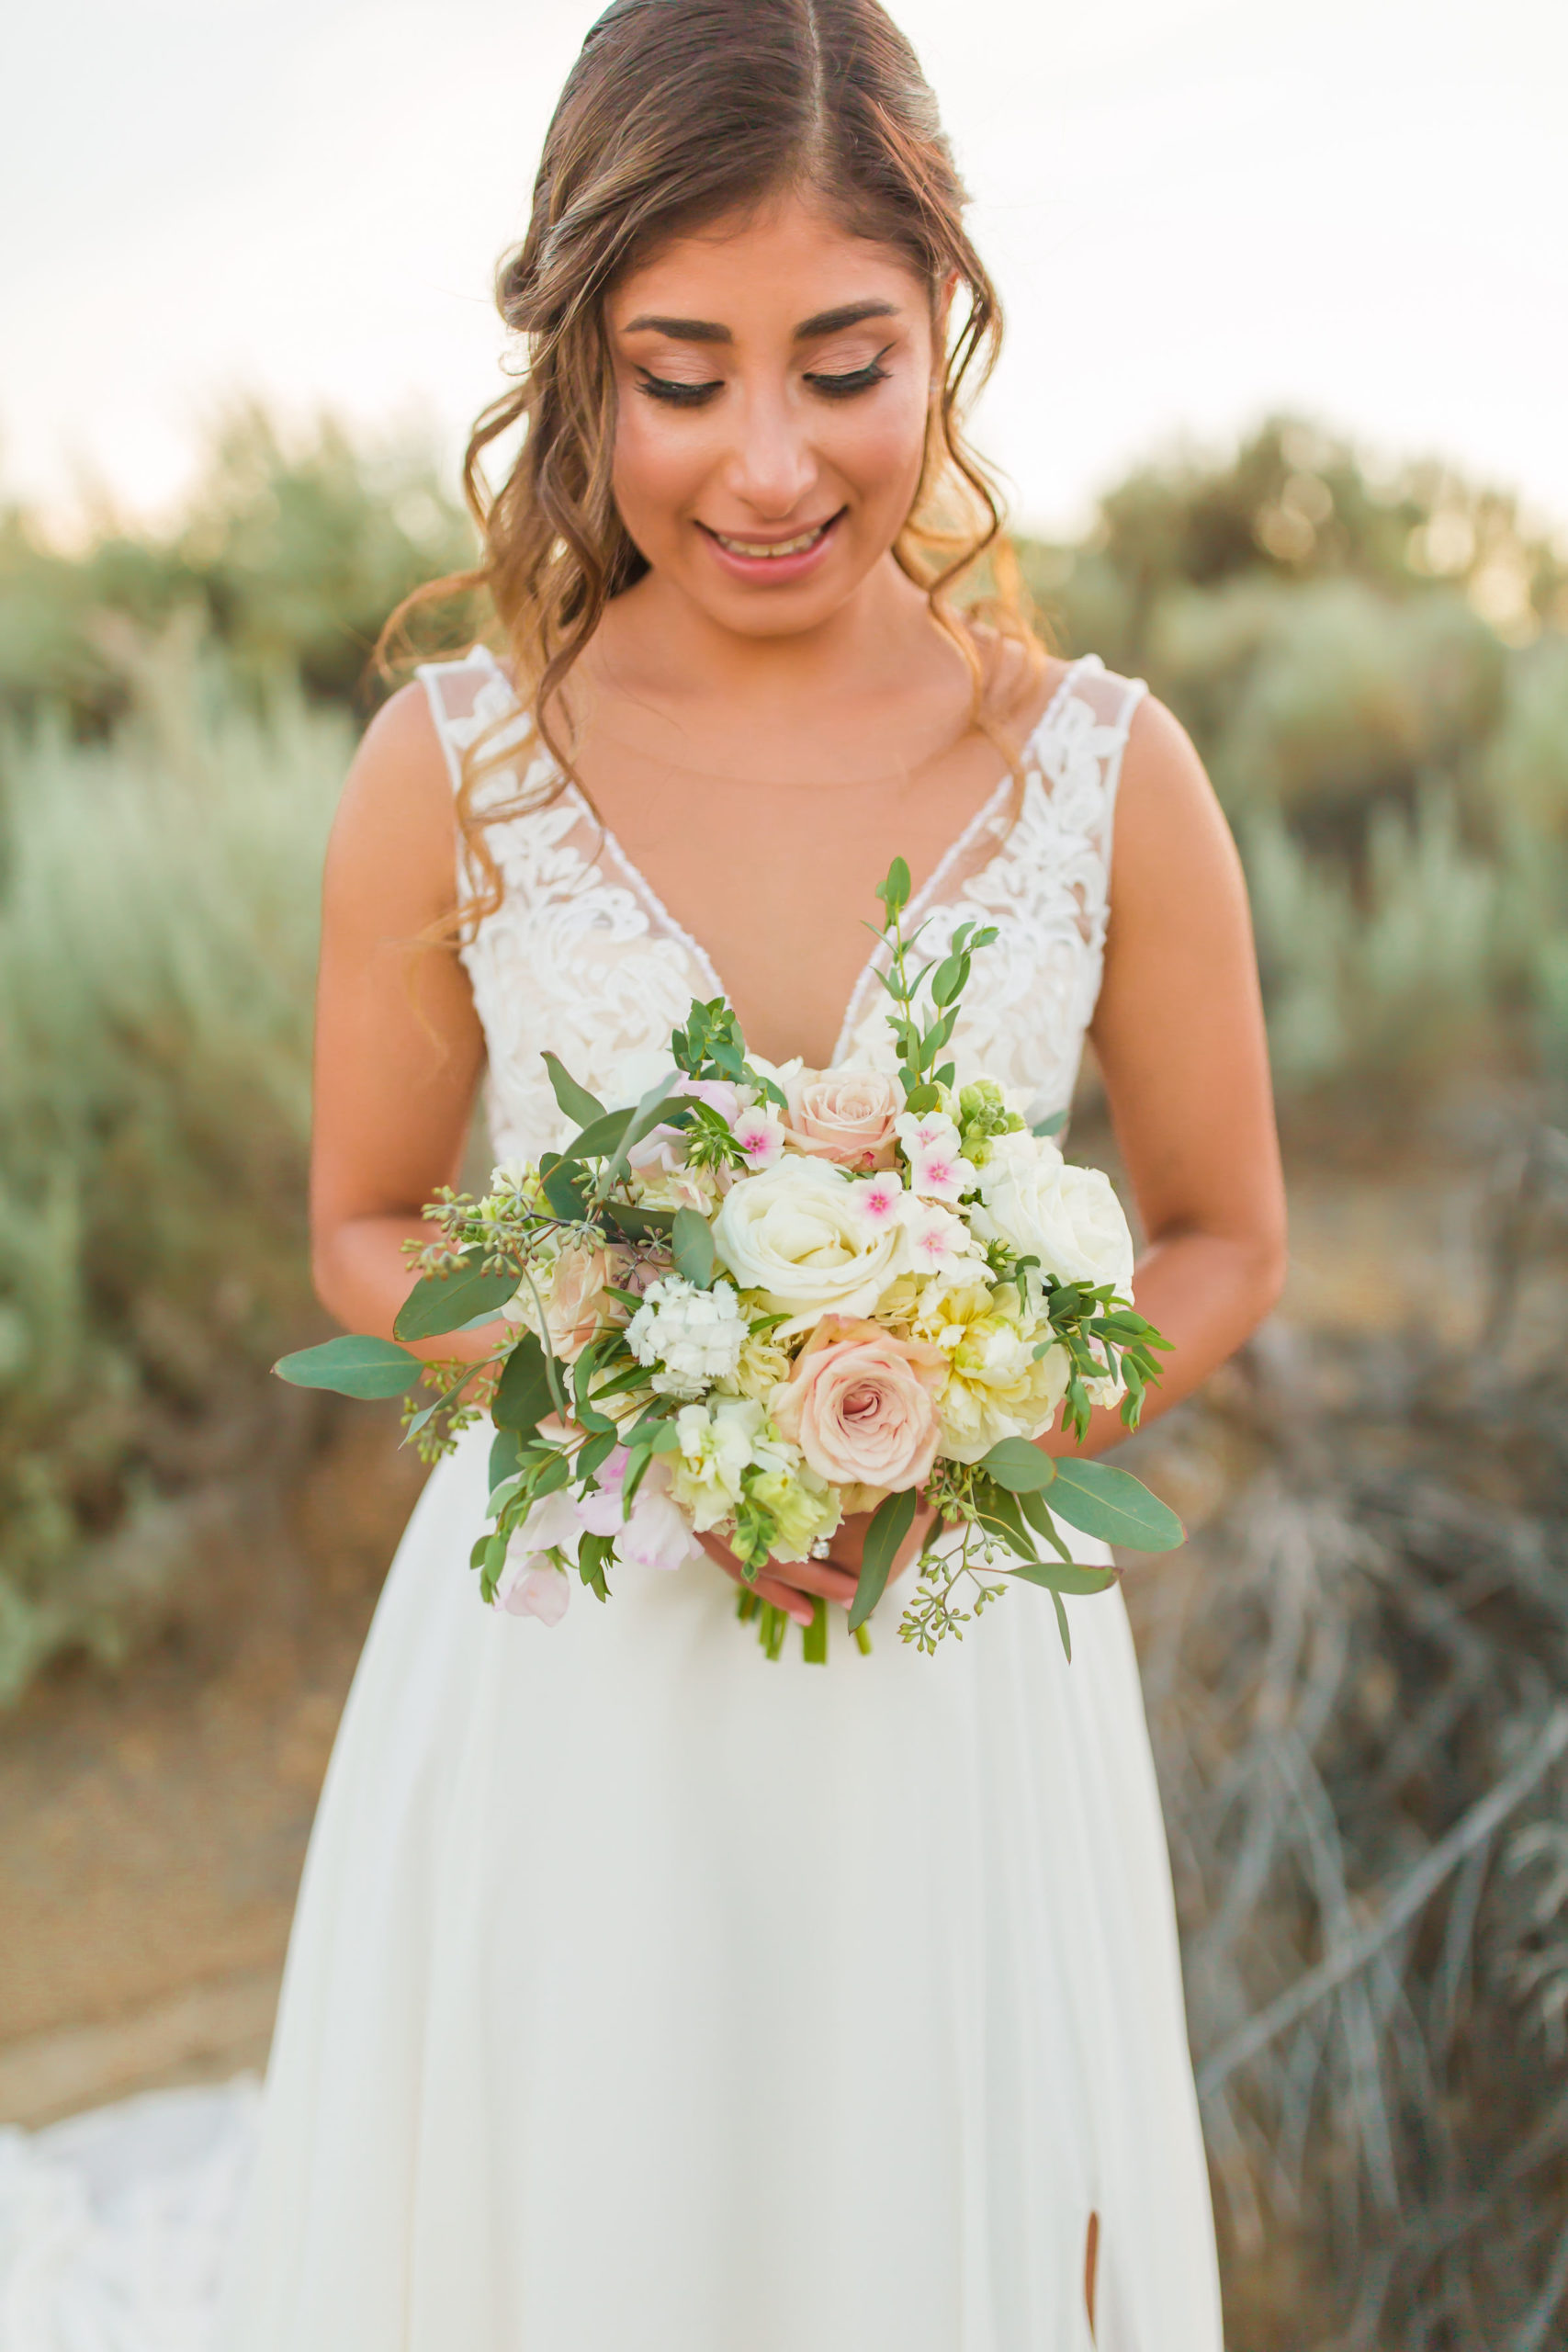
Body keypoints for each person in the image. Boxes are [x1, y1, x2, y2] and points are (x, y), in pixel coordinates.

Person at [220, 2, 1286, 2344]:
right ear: (579, 365)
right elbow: (367, 1225)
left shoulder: (1110, 773)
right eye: (680, 373)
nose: (770, 459)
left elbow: (1217, 1234)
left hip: (948, 1688)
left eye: (845, 363)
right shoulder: (458, 767)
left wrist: (965, 1410)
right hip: (568, 1678)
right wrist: (639, 1385)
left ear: (948, 327)